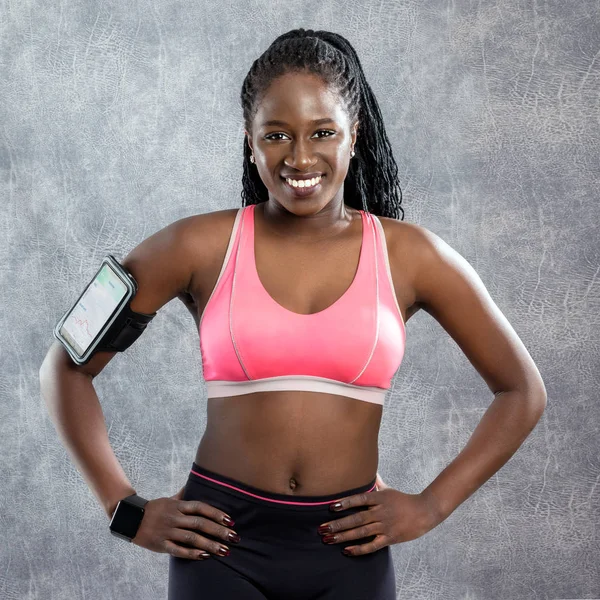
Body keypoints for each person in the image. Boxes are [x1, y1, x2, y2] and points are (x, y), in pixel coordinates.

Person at [40, 28, 547, 600]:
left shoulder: (413, 256)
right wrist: (125, 510)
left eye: (322, 132)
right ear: (249, 141)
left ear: (354, 136)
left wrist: (431, 505)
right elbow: (63, 367)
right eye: (276, 135)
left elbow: (521, 391)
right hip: (221, 548)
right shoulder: (194, 246)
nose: (300, 157)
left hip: (348, 551)